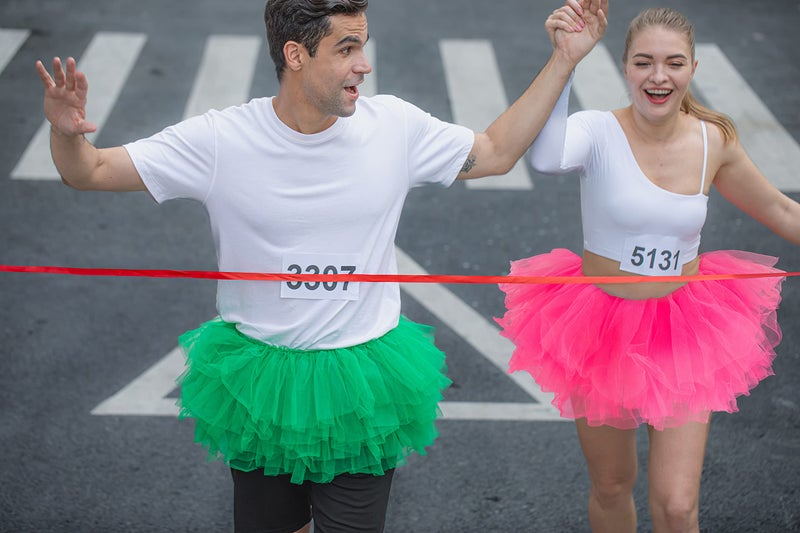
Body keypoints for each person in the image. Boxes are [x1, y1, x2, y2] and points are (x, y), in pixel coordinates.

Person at [35, 0, 607, 531]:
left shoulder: (394, 128)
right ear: (295, 54)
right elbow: (90, 171)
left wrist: (563, 60)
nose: (364, 65)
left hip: (361, 384)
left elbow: (497, 152)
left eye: (363, 46)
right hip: (261, 385)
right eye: (347, 48)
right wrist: (64, 133)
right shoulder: (220, 140)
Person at [495, 6, 800, 533]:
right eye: (644, 63)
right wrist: (565, 59)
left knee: (678, 505)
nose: (659, 76)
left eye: (674, 63)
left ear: (693, 69)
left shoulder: (714, 140)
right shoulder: (597, 130)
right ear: (625, 68)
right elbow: (546, 159)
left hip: (686, 328)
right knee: (613, 484)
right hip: (601, 328)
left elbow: (780, 210)